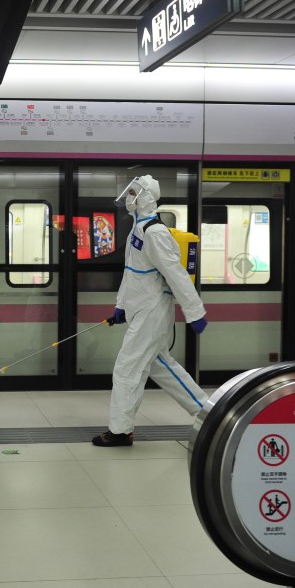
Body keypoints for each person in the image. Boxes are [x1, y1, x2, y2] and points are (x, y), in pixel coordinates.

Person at [94, 175, 208, 446]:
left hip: (152, 313)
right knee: (161, 366)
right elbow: (131, 274)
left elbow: (176, 274)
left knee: (126, 370)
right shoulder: (138, 228)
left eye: (133, 192)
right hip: (141, 311)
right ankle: (209, 411)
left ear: (146, 197)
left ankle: (120, 431)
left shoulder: (155, 233)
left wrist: (194, 312)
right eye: (130, 192)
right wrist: (121, 307)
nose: (129, 197)